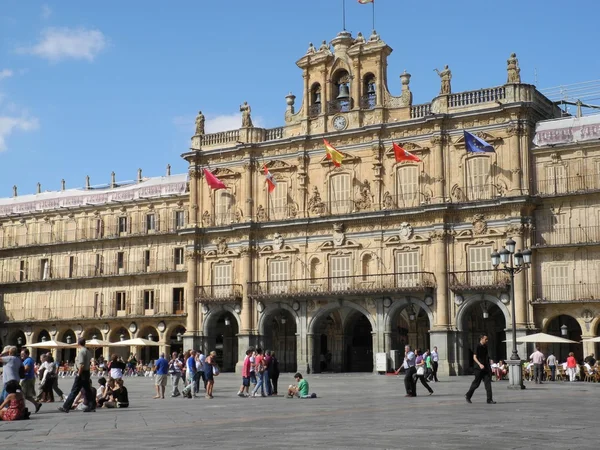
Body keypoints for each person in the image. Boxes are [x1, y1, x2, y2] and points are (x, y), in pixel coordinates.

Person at [58, 337, 96, 413]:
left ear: (78, 343)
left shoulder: (82, 352)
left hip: (81, 373)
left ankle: (66, 407)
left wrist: (79, 374)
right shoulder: (88, 351)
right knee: (87, 390)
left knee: (74, 390)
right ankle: (92, 406)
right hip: (86, 372)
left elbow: (81, 365)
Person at [465, 334, 495, 404]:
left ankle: (489, 399)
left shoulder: (485, 346)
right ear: (481, 339)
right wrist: (479, 364)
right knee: (476, 384)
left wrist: (490, 360)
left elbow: (486, 356)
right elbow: (474, 357)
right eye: (485, 339)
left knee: (488, 384)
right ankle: (468, 395)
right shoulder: (477, 346)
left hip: (485, 368)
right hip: (478, 368)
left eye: (487, 339)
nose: (487, 341)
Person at [20, 349, 42, 413]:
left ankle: (23, 409)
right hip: (27, 379)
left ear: (27, 354)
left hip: (27, 379)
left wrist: (18, 371)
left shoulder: (28, 360)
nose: (21, 355)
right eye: (21, 354)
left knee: (22, 395)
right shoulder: (27, 360)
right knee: (27, 395)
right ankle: (36, 404)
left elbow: (26, 369)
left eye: (23, 354)